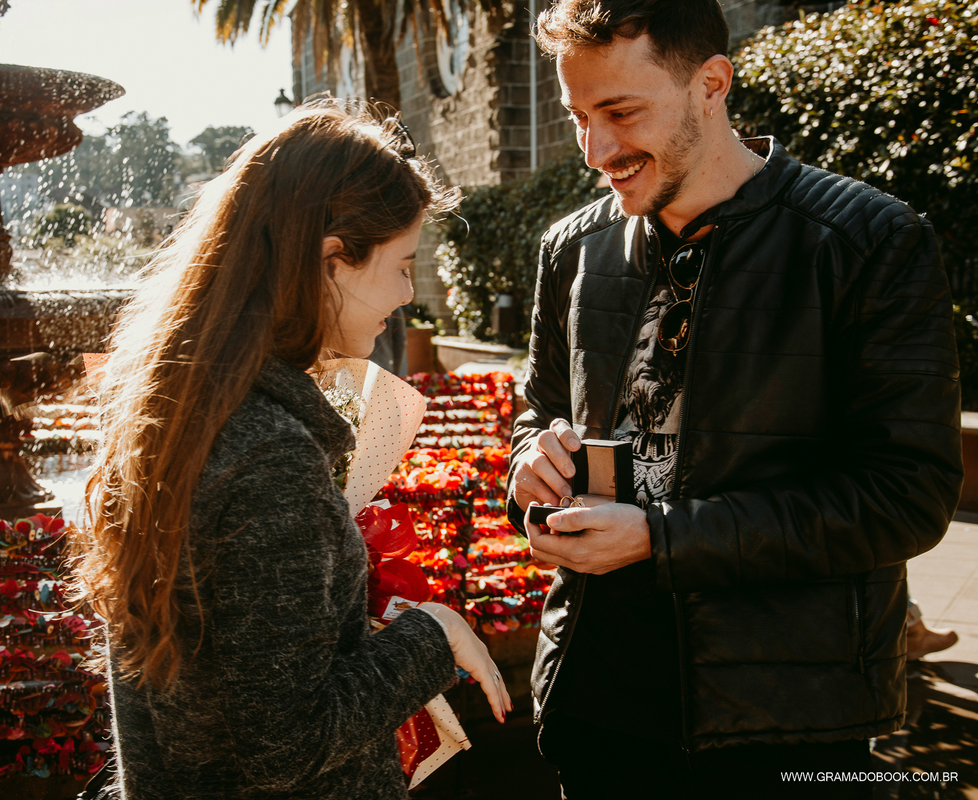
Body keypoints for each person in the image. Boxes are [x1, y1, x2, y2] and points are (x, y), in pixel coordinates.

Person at [507, 1, 963, 797]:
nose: (596, 149)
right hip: (595, 703)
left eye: (620, 112)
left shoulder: (871, 241)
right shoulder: (568, 249)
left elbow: (909, 497)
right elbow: (533, 415)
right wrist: (526, 471)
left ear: (711, 83)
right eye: (580, 116)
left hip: (792, 722)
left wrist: (660, 538)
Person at [69, 104, 512, 800]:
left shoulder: (183, 408)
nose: (406, 294)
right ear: (333, 259)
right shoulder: (270, 455)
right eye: (403, 265)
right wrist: (433, 634)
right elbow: (287, 743)